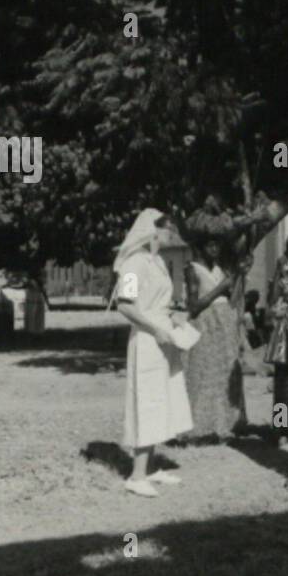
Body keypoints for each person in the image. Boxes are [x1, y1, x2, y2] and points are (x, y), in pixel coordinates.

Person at [113, 209, 194, 497]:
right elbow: (125, 305)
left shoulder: (157, 261)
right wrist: (155, 328)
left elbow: (157, 301)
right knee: (147, 399)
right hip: (148, 340)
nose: (170, 234)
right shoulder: (134, 263)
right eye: (166, 229)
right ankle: (136, 475)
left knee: (163, 397)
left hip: (163, 335)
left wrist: (173, 317)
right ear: (151, 230)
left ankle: (149, 468)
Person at [184, 234, 251, 441]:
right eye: (210, 245)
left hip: (226, 325)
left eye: (217, 245)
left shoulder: (221, 269)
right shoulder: (194, 269)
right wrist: (222, 288)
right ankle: (202, 426)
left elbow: (234, 296)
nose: (215, 250)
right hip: (208, 324)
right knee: (205, 373)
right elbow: (193, 305)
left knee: (228, 374)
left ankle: (280, 427)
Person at [264, 230, 288, 442]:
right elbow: (271, 301)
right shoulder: (284, 275)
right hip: (285, 329)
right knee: (281, 380)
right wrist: (278, 273)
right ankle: (280, 426)